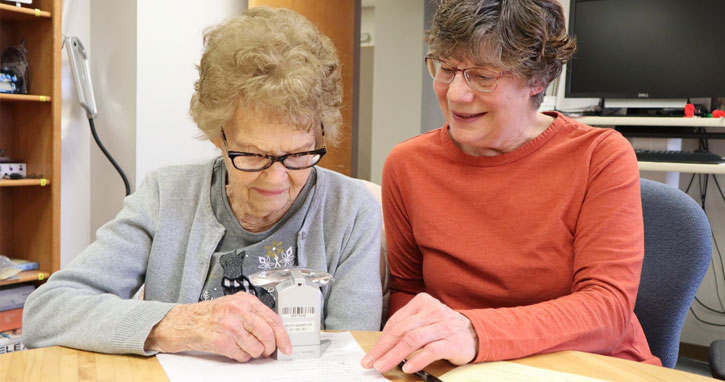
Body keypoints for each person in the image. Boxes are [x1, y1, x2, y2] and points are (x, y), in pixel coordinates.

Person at [23, 7, 382, 362]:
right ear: (217, 136)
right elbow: (46, 312)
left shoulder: (349, 210)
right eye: (253, 155)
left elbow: (354, 352)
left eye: (297, 155)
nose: (275, 179)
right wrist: (175, 322)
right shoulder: (168, 195)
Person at [361, 0, 660, 375]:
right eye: (446, 68)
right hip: (461, 369)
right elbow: (407, 292)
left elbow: (607, 310)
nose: (455, 94)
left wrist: (475, 332)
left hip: (588, 367)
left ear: (537, 79)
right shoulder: (407, 165)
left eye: (482, 76)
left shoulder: (599, 156)